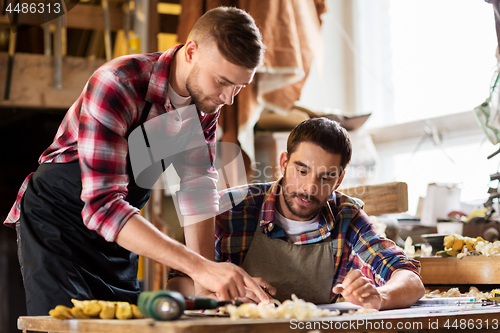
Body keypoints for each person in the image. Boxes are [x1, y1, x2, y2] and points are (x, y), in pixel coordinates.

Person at [3, 6, 270, 316]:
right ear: (192, 51)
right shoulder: (117, 83)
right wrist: (200, 268)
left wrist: (206, 283)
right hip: (60, 226)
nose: (229, 98)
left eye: (240, 86)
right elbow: (102, 205)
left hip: (118, 233)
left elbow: (197, 189)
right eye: (223, 82)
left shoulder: (206, 101)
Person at [168, 118, 425, 309]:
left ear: (339, 180)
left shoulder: (347, 219)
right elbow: (178, 282)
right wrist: (220, 293)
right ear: (283, 163)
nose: (309, 188)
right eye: (302, 171)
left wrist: (379, 297)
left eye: (326, 177)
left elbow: (409, 278)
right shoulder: (232, 208)